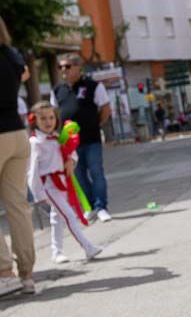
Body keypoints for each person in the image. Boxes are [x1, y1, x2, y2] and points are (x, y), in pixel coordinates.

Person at [27, 102, 103, 264]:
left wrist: (71, 161)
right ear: (34, 121)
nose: (48, 122)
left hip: (63, 183)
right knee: (69, 214)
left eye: (51, 117)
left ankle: (56, 251)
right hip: (48, 185)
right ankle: (88, 247)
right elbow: (32, 169)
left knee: (58, 218)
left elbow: (71, 153)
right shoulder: (35, 142)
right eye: (43, 119)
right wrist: (37, 193)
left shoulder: (58, 137)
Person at [52, 54, 112, 222]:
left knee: (96, 172)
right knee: (79, 175)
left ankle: (101, 207)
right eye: (61, 67)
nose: (64, 70)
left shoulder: (93, 86)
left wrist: (96, 124)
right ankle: (90, 207)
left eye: (68, 66)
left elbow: (105, 108)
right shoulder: (58, 90)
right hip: (70, 143)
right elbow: (55, 114)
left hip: (91, 138)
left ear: (78, 68)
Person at [0, 16, 36, 297]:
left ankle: (3, 272)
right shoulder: (12, 57)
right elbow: (24, 74)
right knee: (18, 205)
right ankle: (27, 275)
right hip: (17, 134)